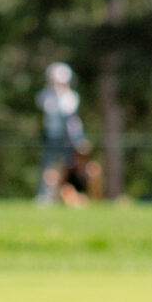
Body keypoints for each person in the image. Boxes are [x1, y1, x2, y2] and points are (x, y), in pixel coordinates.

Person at [36, 62, 89, 206]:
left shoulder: (71, 97)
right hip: (50, 136)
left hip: (67, 139)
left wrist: (79, 138)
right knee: (47, 167)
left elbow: (70, 117)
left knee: (68, 168)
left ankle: (69, 196)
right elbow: (43, 104)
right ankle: (45, 196)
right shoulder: (46, 95)